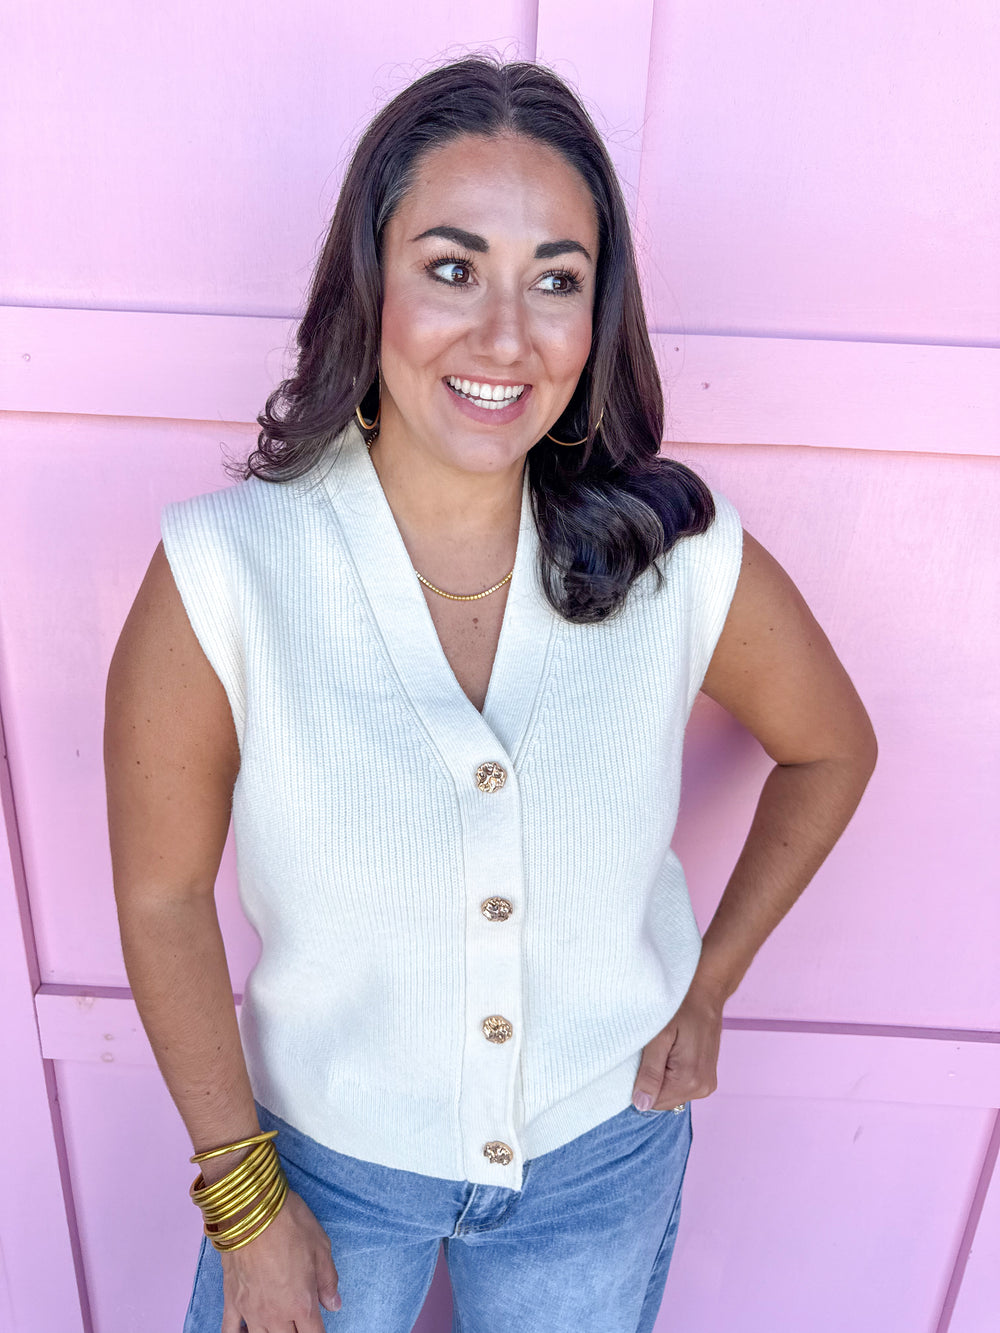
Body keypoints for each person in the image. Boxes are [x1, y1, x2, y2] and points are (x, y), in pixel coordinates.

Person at [104, 55, 877, 1333]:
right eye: (452, 269)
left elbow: (831, 747)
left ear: (597, 312)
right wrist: (245, 1200)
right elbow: (164, 895)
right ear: (373, 280)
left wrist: (711, 979)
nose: (505, 338)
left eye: (555, 281)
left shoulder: (671, 555)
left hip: (602, 1154)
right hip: (318, 1167)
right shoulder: (225, 566)